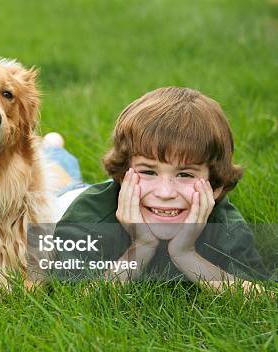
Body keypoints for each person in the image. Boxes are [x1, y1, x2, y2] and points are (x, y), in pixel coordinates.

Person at [46, 87, 268, 292]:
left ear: (216, 186)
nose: (165, 193)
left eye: (185, 175)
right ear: (123, 175)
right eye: (149, 172)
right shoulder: (88, 215)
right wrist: (141, 247)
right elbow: (75, 296)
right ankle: (52, 147)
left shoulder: (225, 225)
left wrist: (186, 255)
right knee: (55, 176)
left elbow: (261, 296)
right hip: (62, 202)